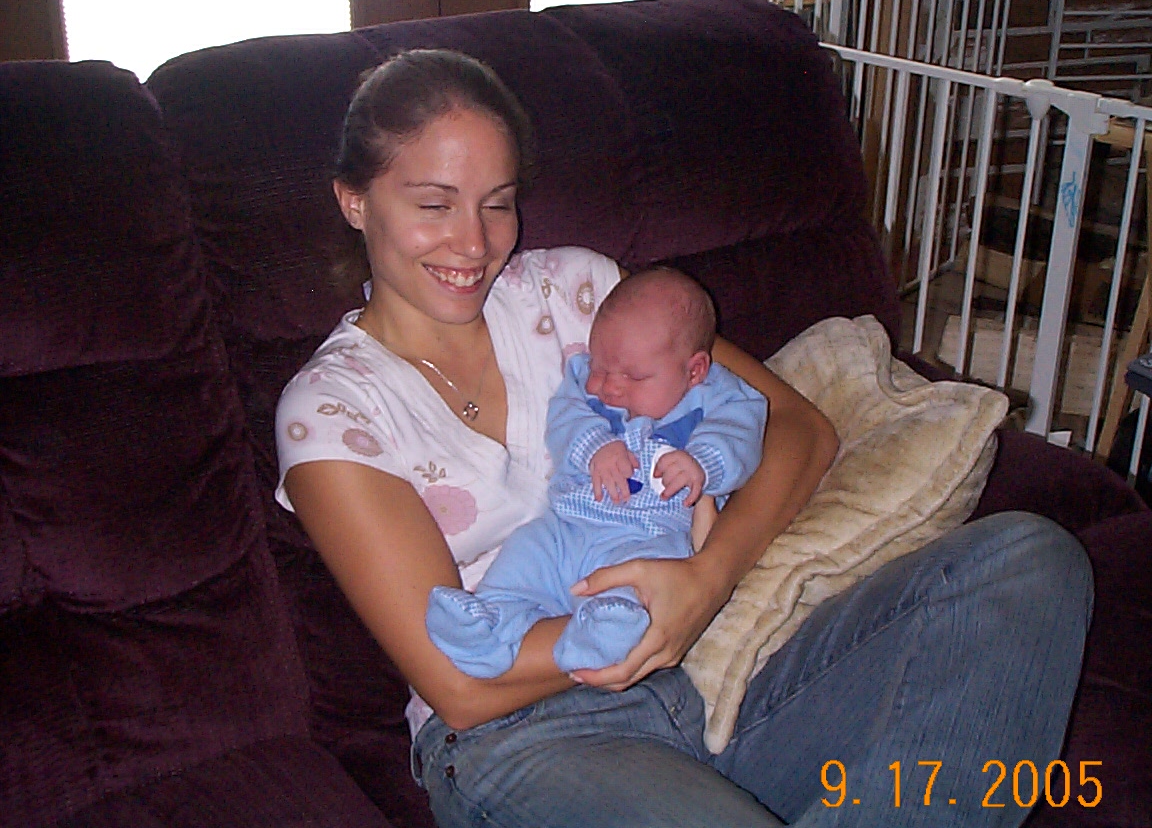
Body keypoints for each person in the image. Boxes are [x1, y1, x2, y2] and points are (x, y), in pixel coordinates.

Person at [275, 48, 1092, 828]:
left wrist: (704, 580)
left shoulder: (576, 291)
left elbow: (799, 429)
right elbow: (457, 684)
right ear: (354, 200)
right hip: (518, 734)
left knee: (1025, 560)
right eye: (434, 204)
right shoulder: (333, 410)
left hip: (717, 680)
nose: (475, 242)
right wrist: (643, 629)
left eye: (497, 202)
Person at [426, 268, 768, 677]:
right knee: (524, 553)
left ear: (693, 371)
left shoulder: (719, 396)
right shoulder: (582, 380)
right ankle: (488, 625)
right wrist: (593, 446)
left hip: (647, 536)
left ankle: (602, 634)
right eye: (601, 367)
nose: (610, 386)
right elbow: (564, 417)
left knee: (636, 586)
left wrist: (704, 462)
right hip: (566, 526)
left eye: (634, 376)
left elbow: (742, 433)